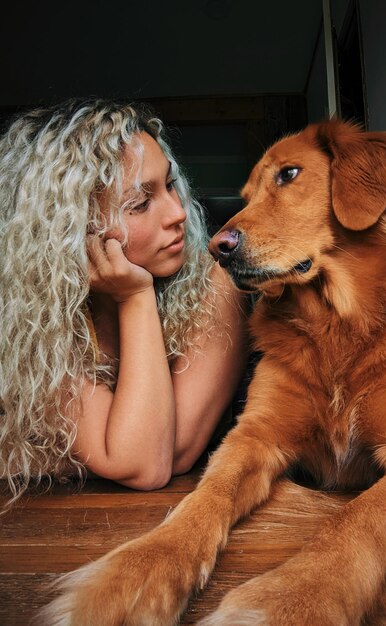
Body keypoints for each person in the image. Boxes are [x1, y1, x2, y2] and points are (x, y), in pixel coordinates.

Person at [0, 99, 247, 509]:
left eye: (169, 184)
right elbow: (141, 458)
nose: (178, 212)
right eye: (139, 203)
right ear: (69, 229)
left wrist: (134, 297)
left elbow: (154, 461)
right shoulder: (35, 318)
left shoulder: (214, 282)